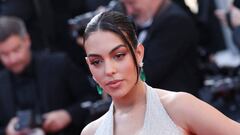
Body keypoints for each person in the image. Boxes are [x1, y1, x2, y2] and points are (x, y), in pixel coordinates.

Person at [80, 11, 240, 135]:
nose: (109, 70)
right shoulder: (92, 132)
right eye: (97, 62)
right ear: (89, 65)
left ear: (138, 54)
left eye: (119, 56)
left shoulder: (179, 107)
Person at [0, 16, 99, 135]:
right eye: (4, 54)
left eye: (16, 50)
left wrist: (68, 115)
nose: (13, 59)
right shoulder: (2, 81)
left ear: (27, 40)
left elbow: (94, 98)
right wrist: (7, 130)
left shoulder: (59, 64)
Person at [120, 0, 202, 94]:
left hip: (174, 104)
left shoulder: (174, 21)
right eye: (124, 5)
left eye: (132, 3)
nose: (129, 11)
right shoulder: (144, 22)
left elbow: (147, 74)